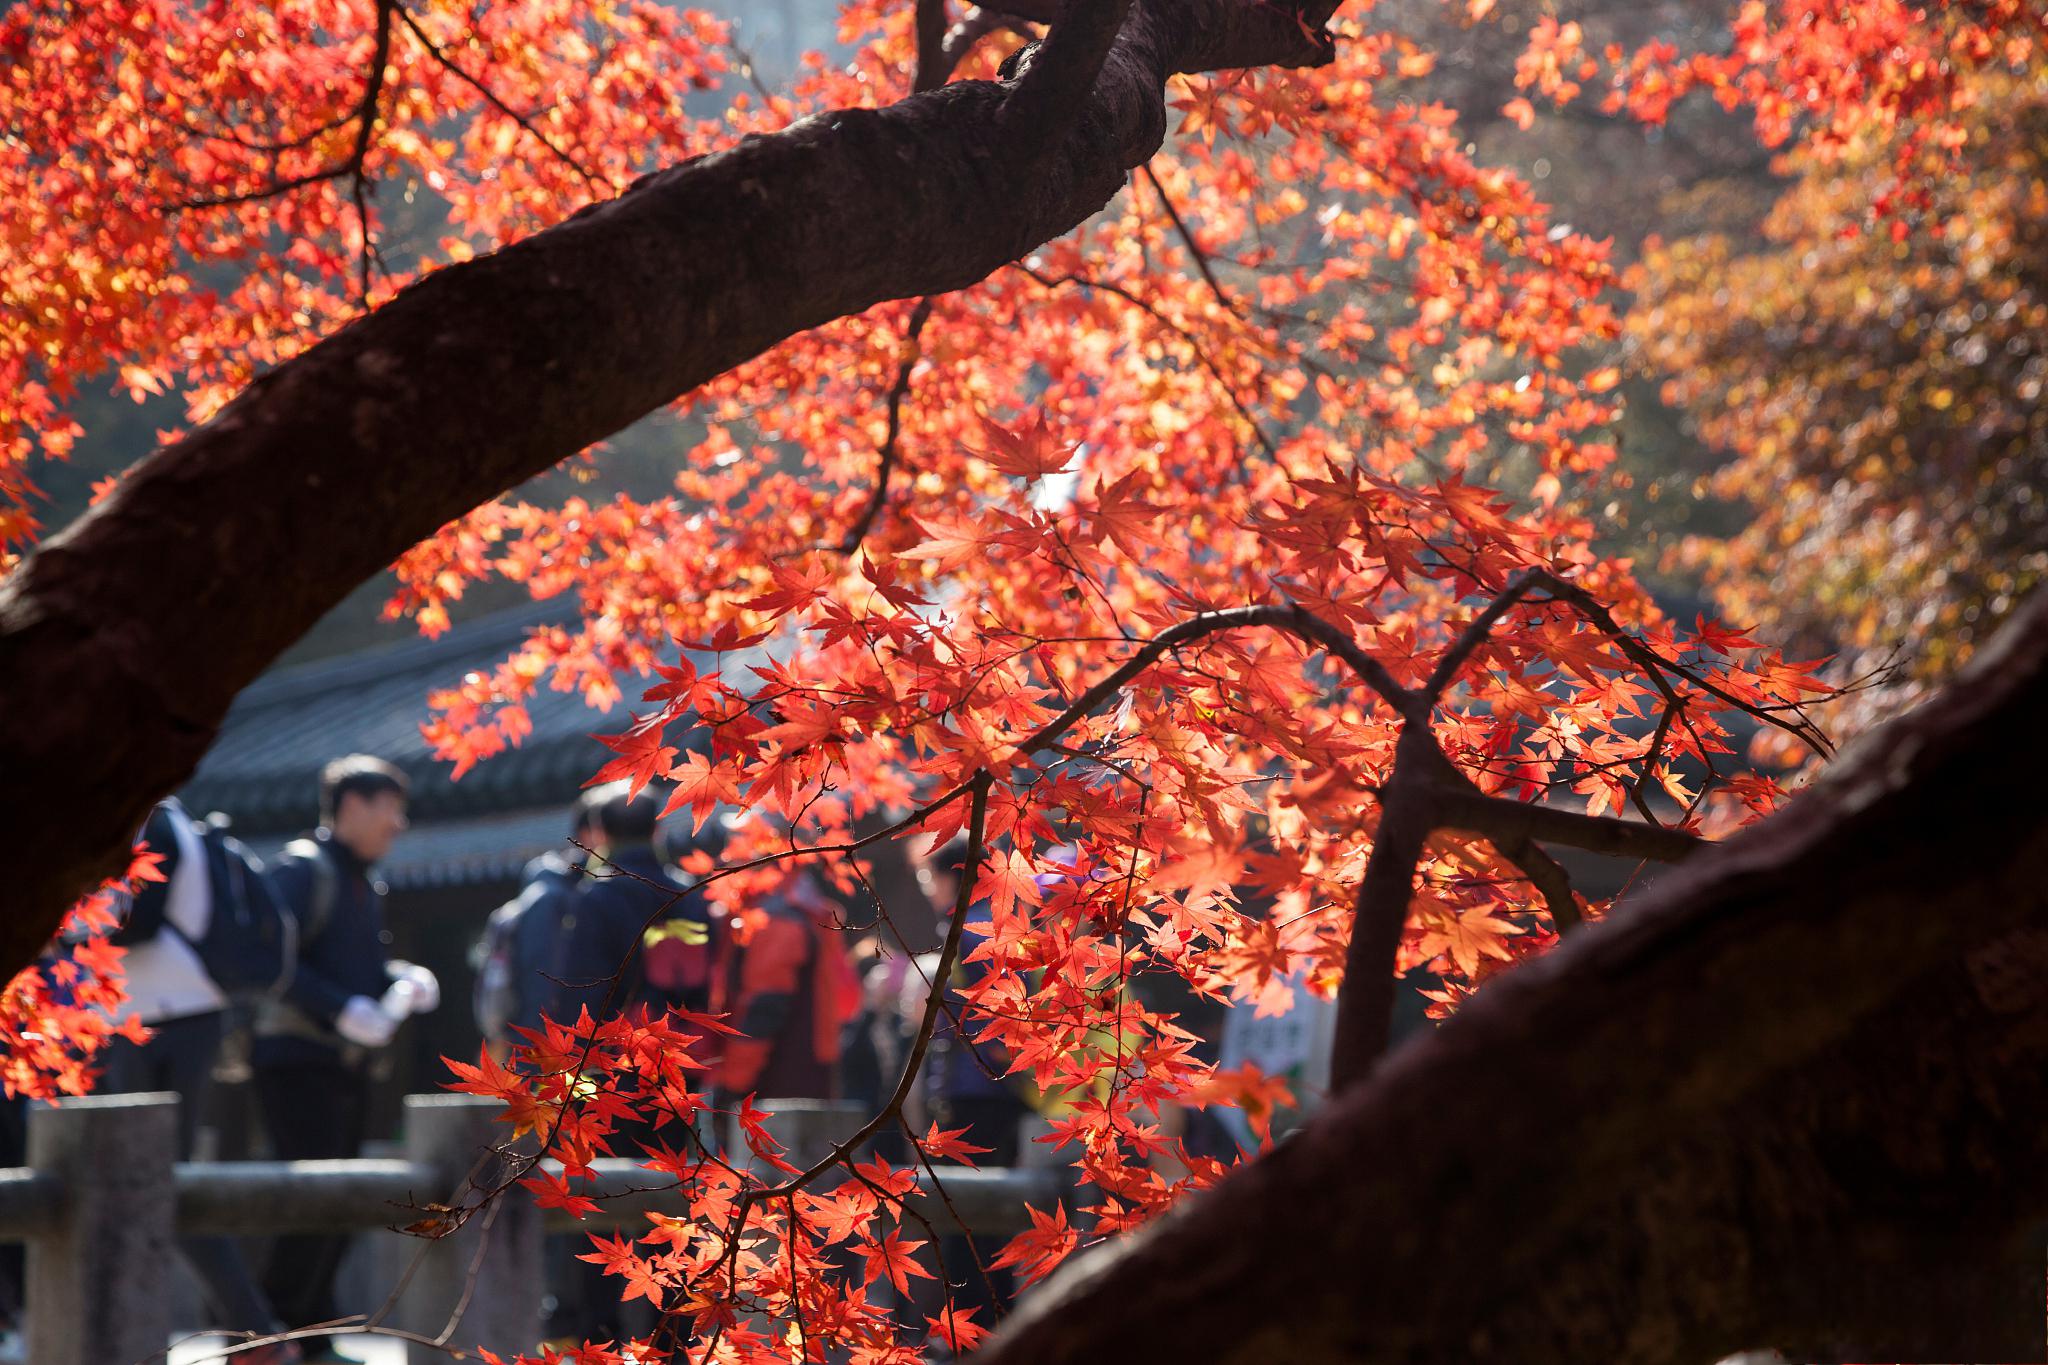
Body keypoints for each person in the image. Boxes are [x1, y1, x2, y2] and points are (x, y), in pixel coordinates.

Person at [99, 797, 301, 1363]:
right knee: (157, 1181)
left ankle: (253, 1331)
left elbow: (136, 921)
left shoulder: (155, 821)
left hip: (161, 1013)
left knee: (156, 1182)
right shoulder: (162, 820)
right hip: (165, 1008)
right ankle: (251, 1333)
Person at [252, 756, 434, 1356]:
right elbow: (271, 961)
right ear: (353, 805)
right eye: (391, 807)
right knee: (315, 1197)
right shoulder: (303, 870)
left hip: (339, 1063)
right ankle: (267, 1329)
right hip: (296, 1057)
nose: (399, 823)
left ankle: (311, 1330)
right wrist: (340, 1009)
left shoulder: (359, 881)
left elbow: (354, 968)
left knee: (340, 1198)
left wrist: (398, 978)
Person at [473, 789, 605, 1056]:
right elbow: (543, 985)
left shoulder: (568, 892)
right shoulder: (552, 900)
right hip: (551, 1052)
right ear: (587, 834)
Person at [713, 866, 858, 1106]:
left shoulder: (776, 914)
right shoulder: (808, 905)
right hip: (811, 1071)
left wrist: (734, 1081)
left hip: (773, 1080)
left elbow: (765, 1006)